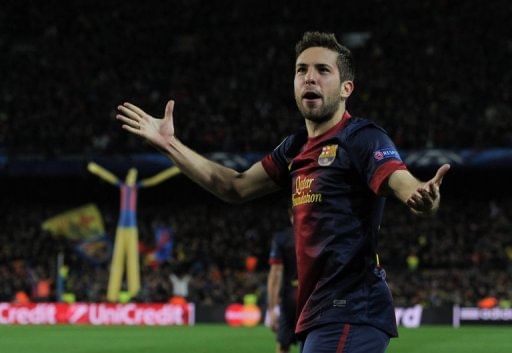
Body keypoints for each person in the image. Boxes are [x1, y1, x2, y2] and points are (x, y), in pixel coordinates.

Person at [116, 31, 450, 353]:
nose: (309, 77)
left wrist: (422, 195)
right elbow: (234, 187)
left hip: (351, 308)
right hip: (318, 312)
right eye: (301, 70)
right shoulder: (295, 149)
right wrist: (169, 145)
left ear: (347, 87)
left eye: (322, 70)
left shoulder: (362, 138)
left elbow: (401, 179)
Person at [267, 209, 297, 353]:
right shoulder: (318, 234)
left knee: (283, 346)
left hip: (289, 299)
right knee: (311, 343)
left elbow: (275, 275)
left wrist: (272, 309)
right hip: (312, 298)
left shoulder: (282, 238)